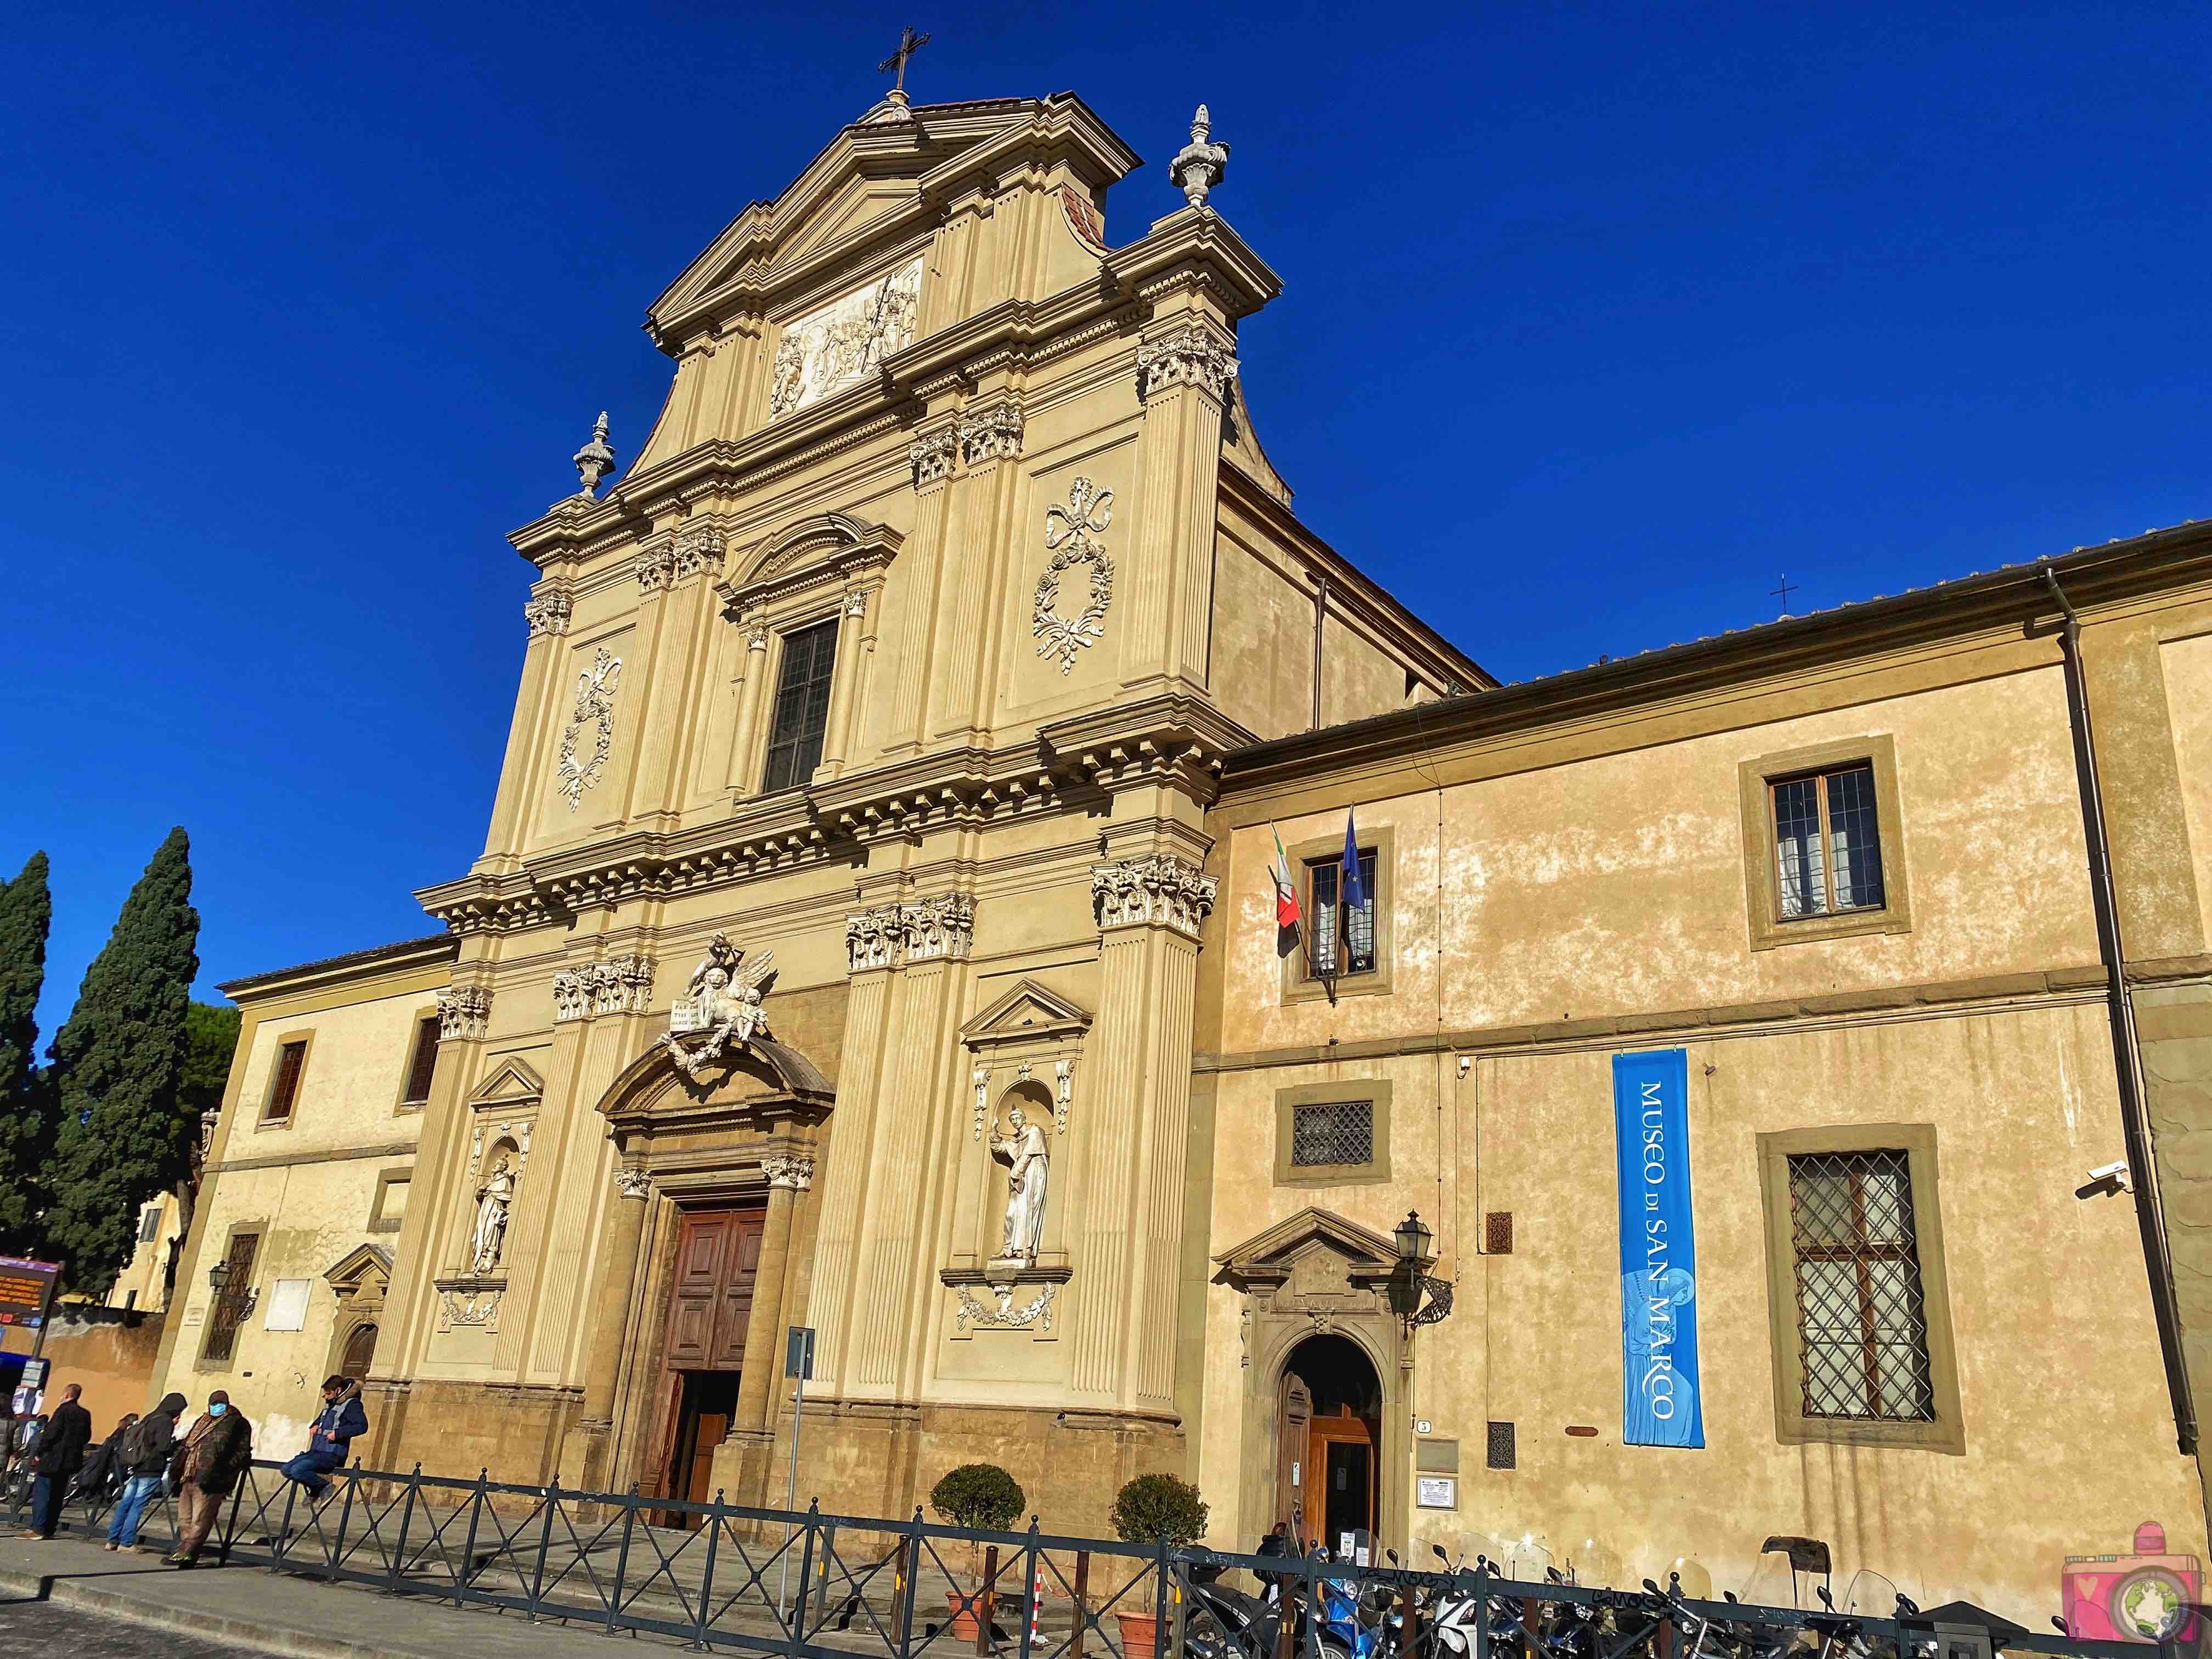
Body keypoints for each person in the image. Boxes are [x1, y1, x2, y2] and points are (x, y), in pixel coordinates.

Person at [164, 1391, 251, 1567]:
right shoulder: (202, 1420)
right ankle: (183, 1550)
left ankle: (189, 1554)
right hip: (188, 1475)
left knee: (201, 1519)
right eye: (214, 1402)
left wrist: (222, 1469)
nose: (217, 1406)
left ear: (227, 1403)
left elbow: (242, 1452)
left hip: (211, 1480)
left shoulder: (238, 1423)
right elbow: (188, 1443)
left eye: (220, 1403)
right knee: (184, 1518)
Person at [105, 1393, 185, 1553]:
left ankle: (112, 1540)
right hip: (152, 1468)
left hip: (138, 1465)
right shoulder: (165, 1422)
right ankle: (126, 1543)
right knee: (137, 1506)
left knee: (125, 1503)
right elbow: (163, 1447)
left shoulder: (150, 1417)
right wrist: (177, 1443)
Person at [20, 1383, 91, 1540]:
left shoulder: (62, 1411)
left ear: (67, 1394)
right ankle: (50, 1528)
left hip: (52, 1459)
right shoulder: (85, 1414)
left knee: (43, 1493)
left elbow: (51, 1434)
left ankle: (38, 1528)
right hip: (69, 1462)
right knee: (58, 1495)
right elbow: (87, 1436)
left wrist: (39, 1453)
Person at [280, 1376, 366, 1504]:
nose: (325, 1397)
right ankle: (317, 1489)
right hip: (316, 1450)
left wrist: (338, 1434)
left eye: (328, 1394)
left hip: (332, 1454)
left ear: (338, 1391)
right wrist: (314, 1425)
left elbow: (362, 1426)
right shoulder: (331, 1404)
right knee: (286, 1469)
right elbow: (322, 1419)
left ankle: (325, 1487)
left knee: (298, 1470)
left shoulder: (352, 1405)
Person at [72, 1412, 137, 1505]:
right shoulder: (122, 1433)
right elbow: (112, 1447)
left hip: (112, 1462)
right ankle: (97, 1496)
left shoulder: (122, 1433)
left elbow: (111, 1447)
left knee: (105, 1478)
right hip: (112, 1462)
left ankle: (98, 1496)